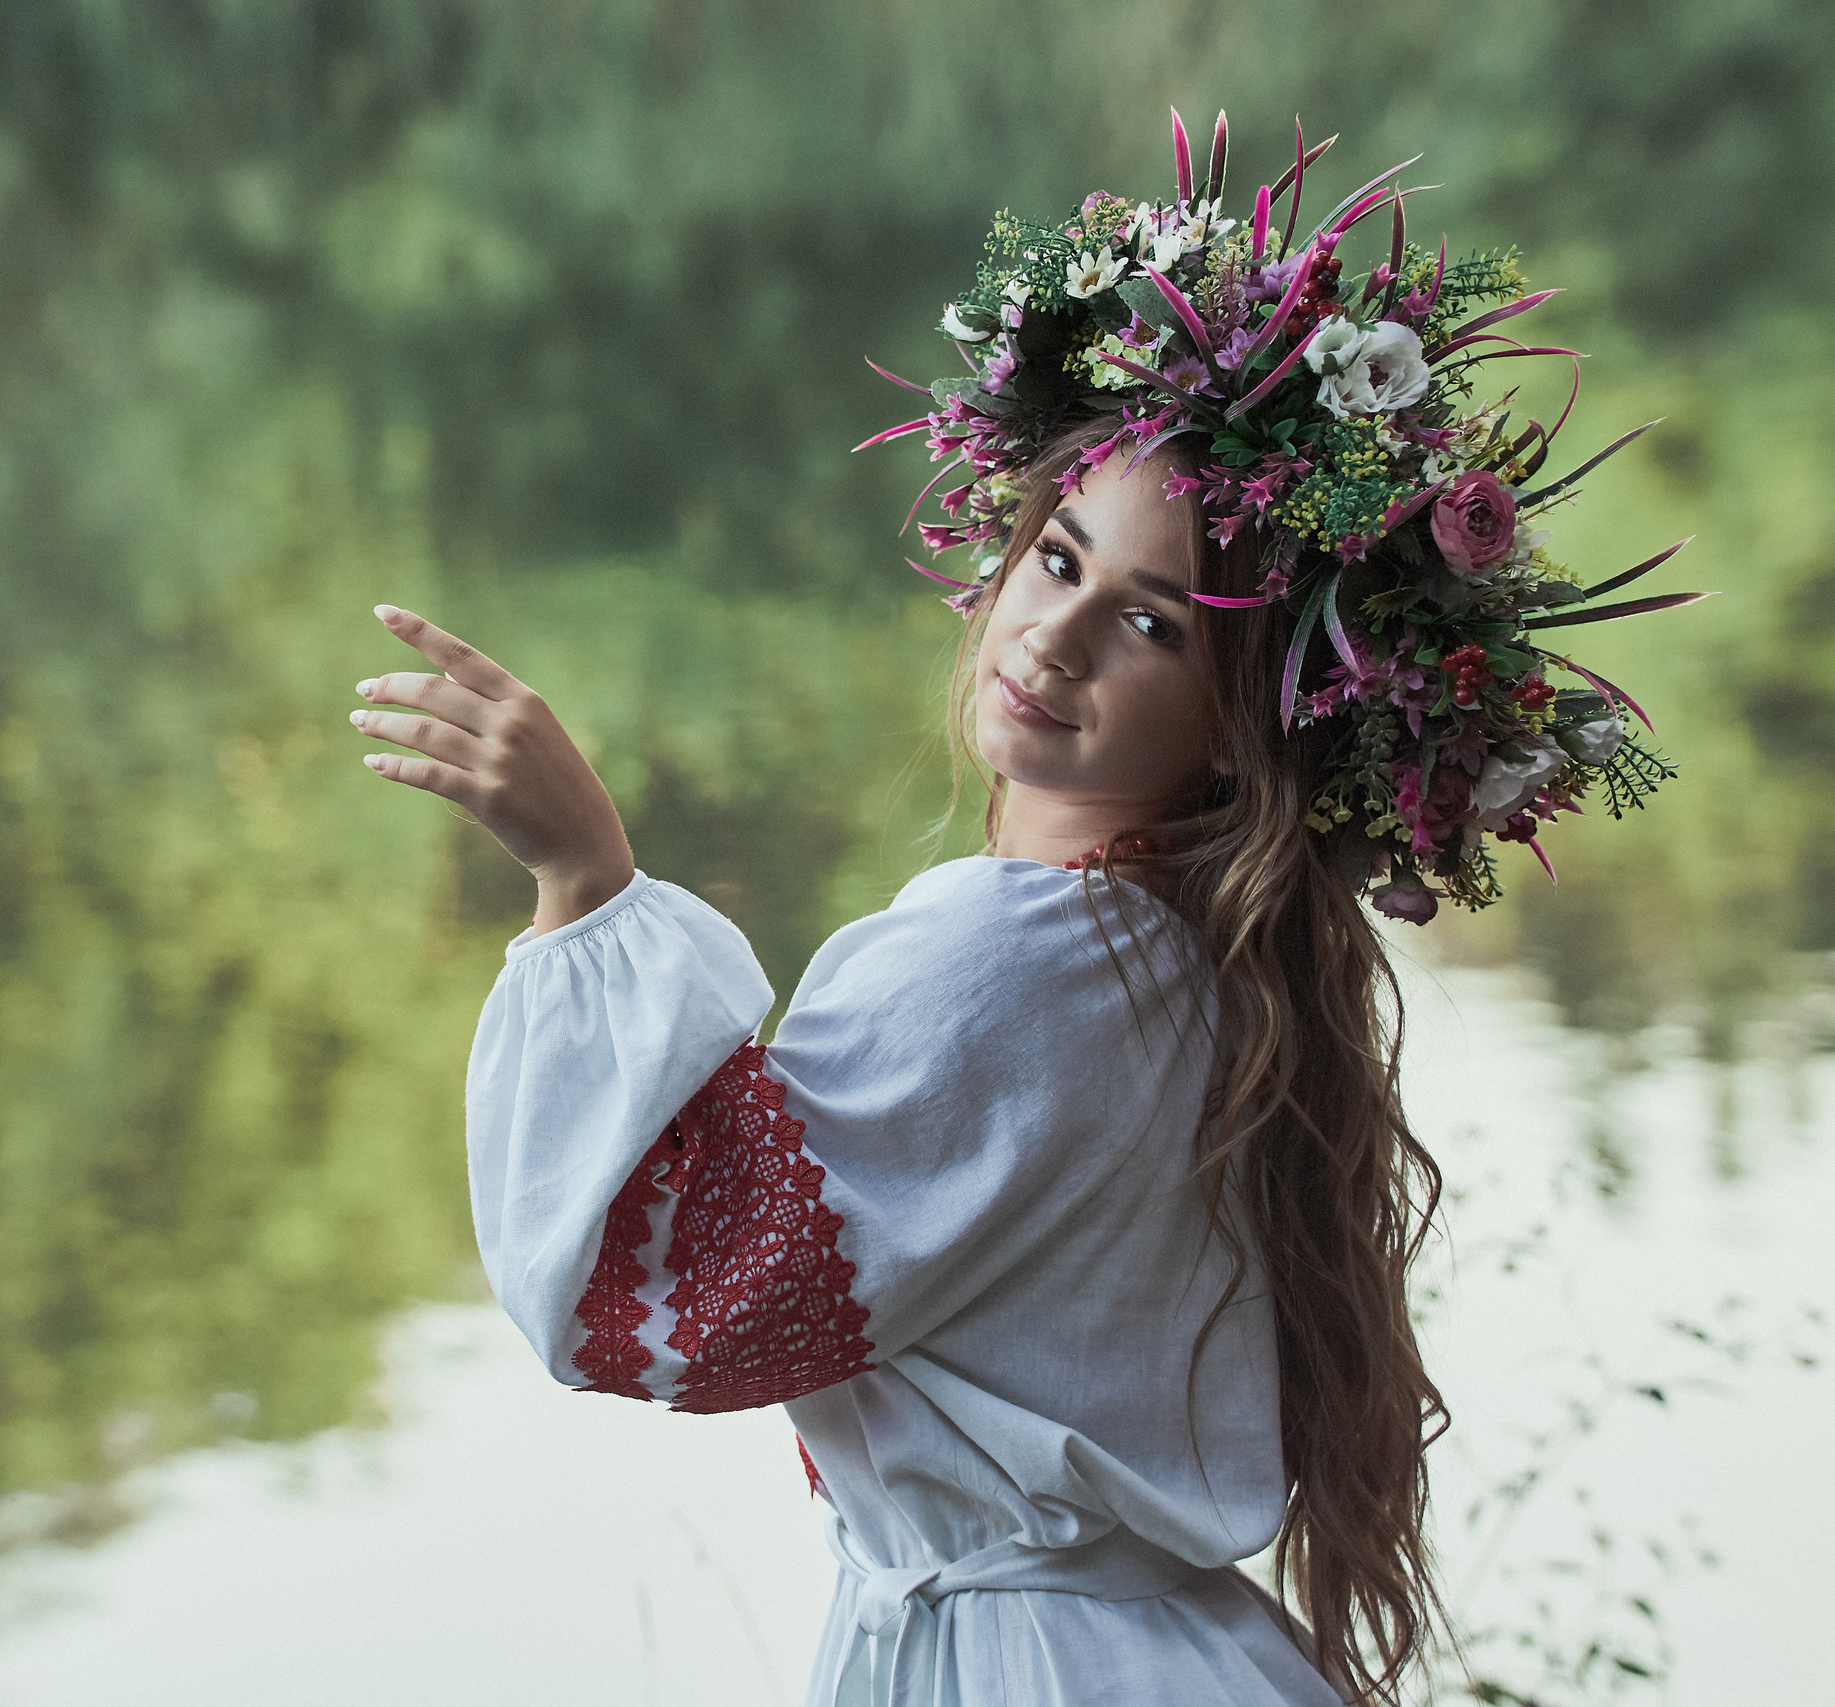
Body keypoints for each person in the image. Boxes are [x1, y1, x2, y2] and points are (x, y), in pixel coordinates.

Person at [350, 115, 1695, 1707]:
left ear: (1251, 718)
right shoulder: (1182, 948)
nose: (1053, 638)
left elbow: (665, 1300)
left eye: (1154, 626)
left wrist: (586, 883)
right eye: (1056, 559)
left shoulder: (1018, 960)